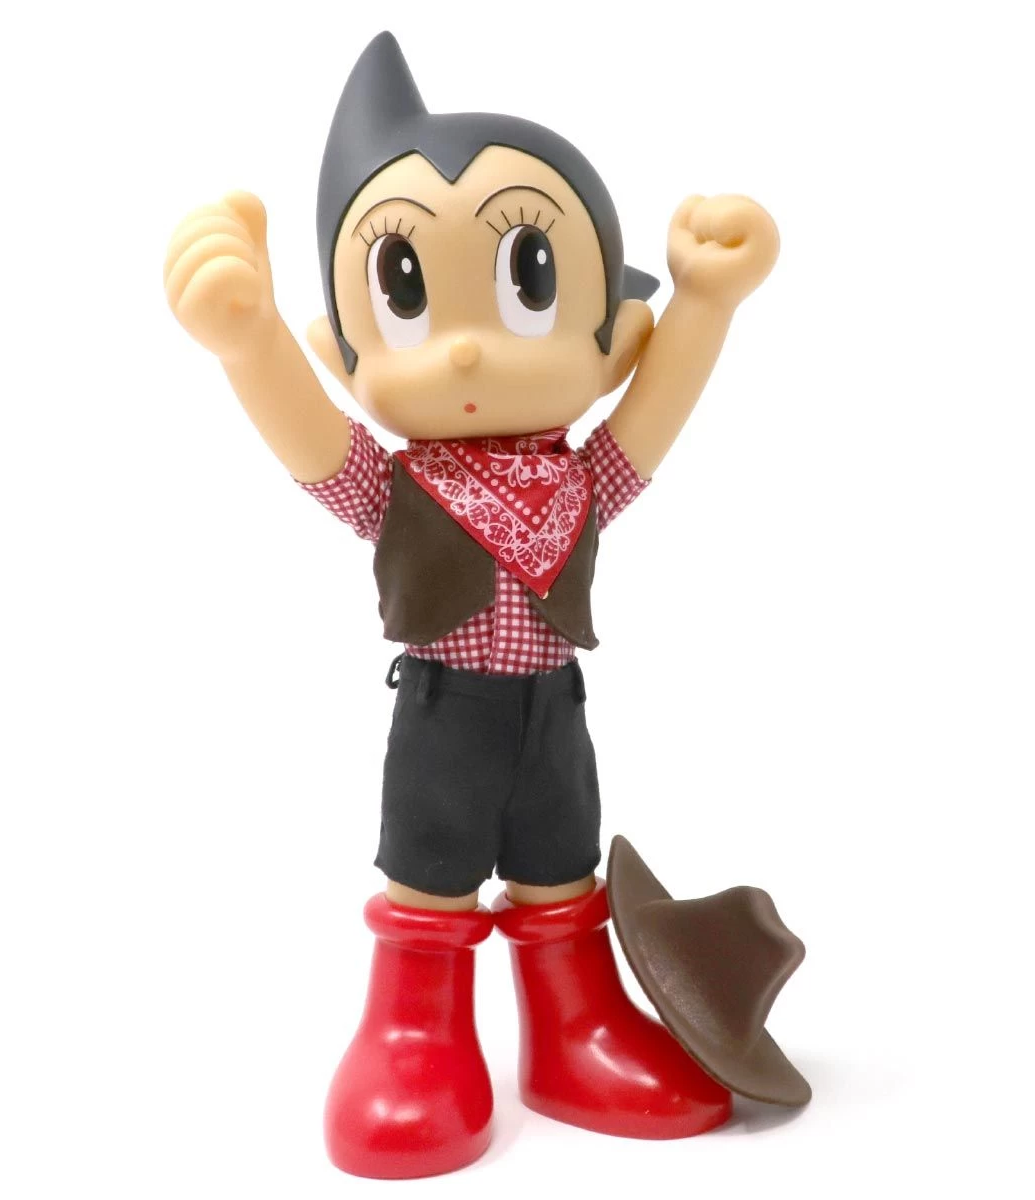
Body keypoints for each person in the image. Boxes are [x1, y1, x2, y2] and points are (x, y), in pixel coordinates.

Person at [163, 30, 780, 1180]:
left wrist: (707, 301)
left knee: (562, 866)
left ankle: (574, 1030)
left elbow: (651, 420)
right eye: (403, 290)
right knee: (429, 875)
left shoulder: (580, 482)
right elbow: (315, 446)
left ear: (617, 340)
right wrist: (247, 344)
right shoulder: (399, 489)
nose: (459, 351)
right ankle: (414, 1034)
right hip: (441, 717)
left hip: (554, 712)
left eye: (527, 282)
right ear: (341, 349)